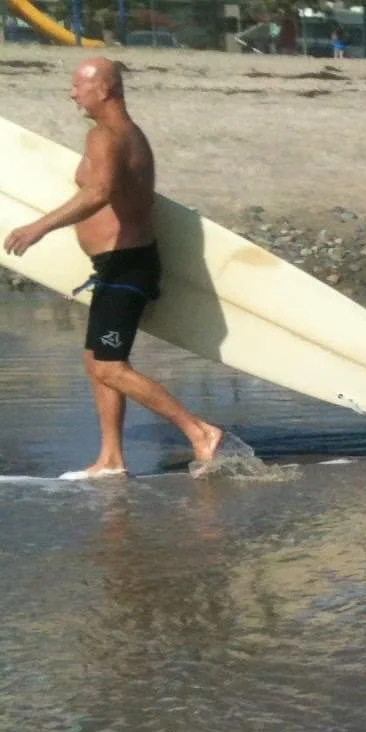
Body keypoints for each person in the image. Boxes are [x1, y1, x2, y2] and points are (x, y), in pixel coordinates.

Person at [5, 58, 225, 480]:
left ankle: (199, 432)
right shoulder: (131, 135)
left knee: (108, 366)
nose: (72, 93)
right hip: (119, 265)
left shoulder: (104, 135)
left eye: (77, 85)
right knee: (98, 361)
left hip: (126, 267)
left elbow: (101, 191)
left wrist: (40, 227)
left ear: (103, 89)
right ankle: (111, 458)